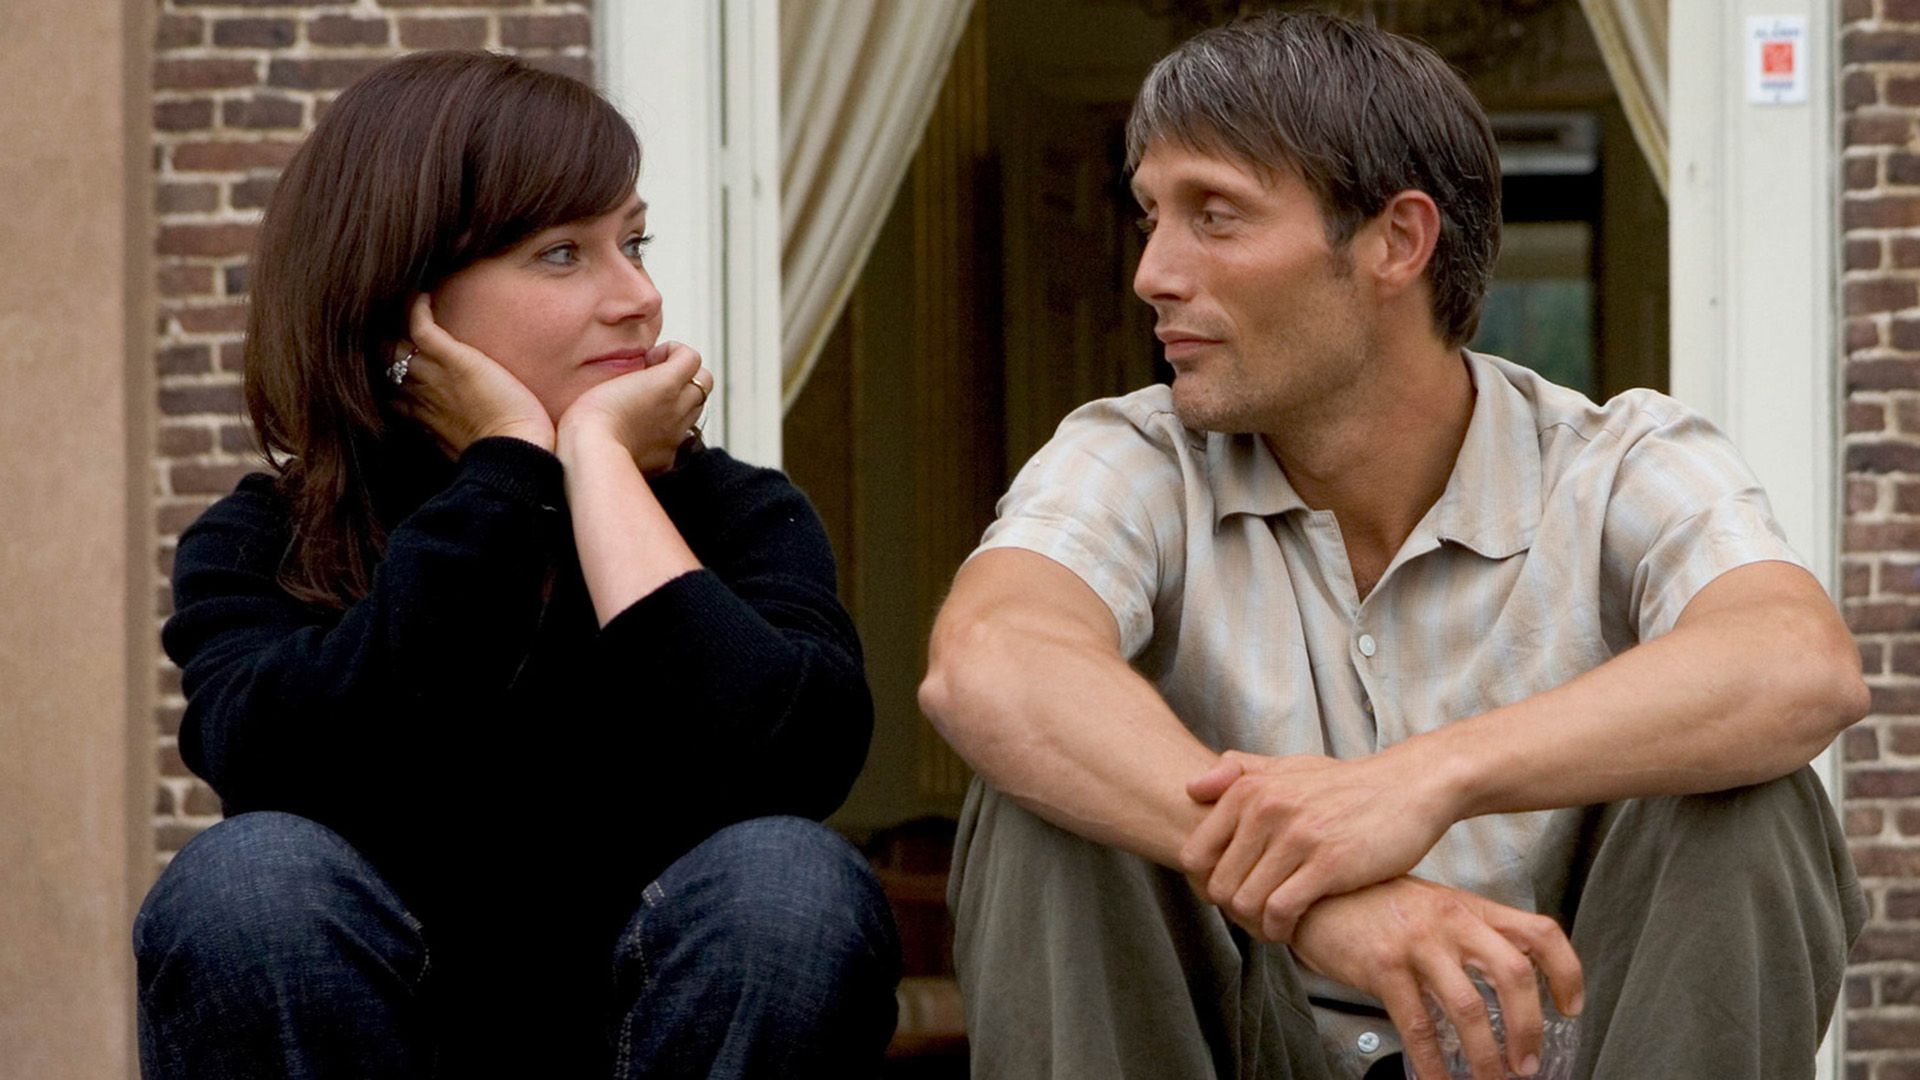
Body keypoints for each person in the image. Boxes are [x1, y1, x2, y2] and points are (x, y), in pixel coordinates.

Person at [920, 12, 1866, 1080]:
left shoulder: (1617, 461)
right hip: (1246, 1040)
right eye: (1151, 216)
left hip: (1562, 1043)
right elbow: (990, 658)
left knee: (1756, 795)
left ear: (1394, 242)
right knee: (1045, 794)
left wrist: (1430, 780)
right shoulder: (1133, 457)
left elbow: (1798, 662)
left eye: (1215, 214)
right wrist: (1325, 897)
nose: (1154, 272)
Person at [134, 50, 900, 1078]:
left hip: (656, 1042)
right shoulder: (264, 544)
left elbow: (797, 767)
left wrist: (596, 467)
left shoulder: (734, 515)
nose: (639, 296)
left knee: (792, 881)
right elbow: (290, 775)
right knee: (248, 881)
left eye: (635, 241)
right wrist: (504, 473)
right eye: (561, 255)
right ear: (411, 306)